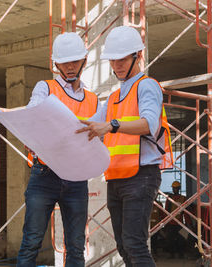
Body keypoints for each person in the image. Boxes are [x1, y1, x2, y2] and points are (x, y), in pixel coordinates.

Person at [76, 26, 173, 266]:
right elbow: (93, 126)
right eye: (113, 61)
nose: (117, 65)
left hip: (141, 177)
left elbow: (149, 124)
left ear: (137, 56)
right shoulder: (113, 98)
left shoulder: (147, 86)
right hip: (116, 177)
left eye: (122, 60)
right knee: (124, 245)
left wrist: (111, 126)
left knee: (134, 244)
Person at [17, 32, 99, 267]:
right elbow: (33, 115)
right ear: (56, 64)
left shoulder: (93, 99)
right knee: (31, 241)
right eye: (65, 62)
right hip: (45, 174)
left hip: (76, 177)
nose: (70, 66)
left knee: (76, 245)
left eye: (75, 61)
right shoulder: (45, 88)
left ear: (83, 61)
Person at [165, 181, 191, 258]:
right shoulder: (169, 199)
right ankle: (171, 254)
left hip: (180, 223)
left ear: (179, 188)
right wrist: (165, 223)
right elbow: (166, 211)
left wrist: (188, 223)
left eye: (176, 188)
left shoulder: (183, 198)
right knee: (170, 240)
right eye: (174, 188)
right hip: (171, 223)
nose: (175, 189)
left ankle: (181, 253)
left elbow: (186, 213)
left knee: (182, 239)